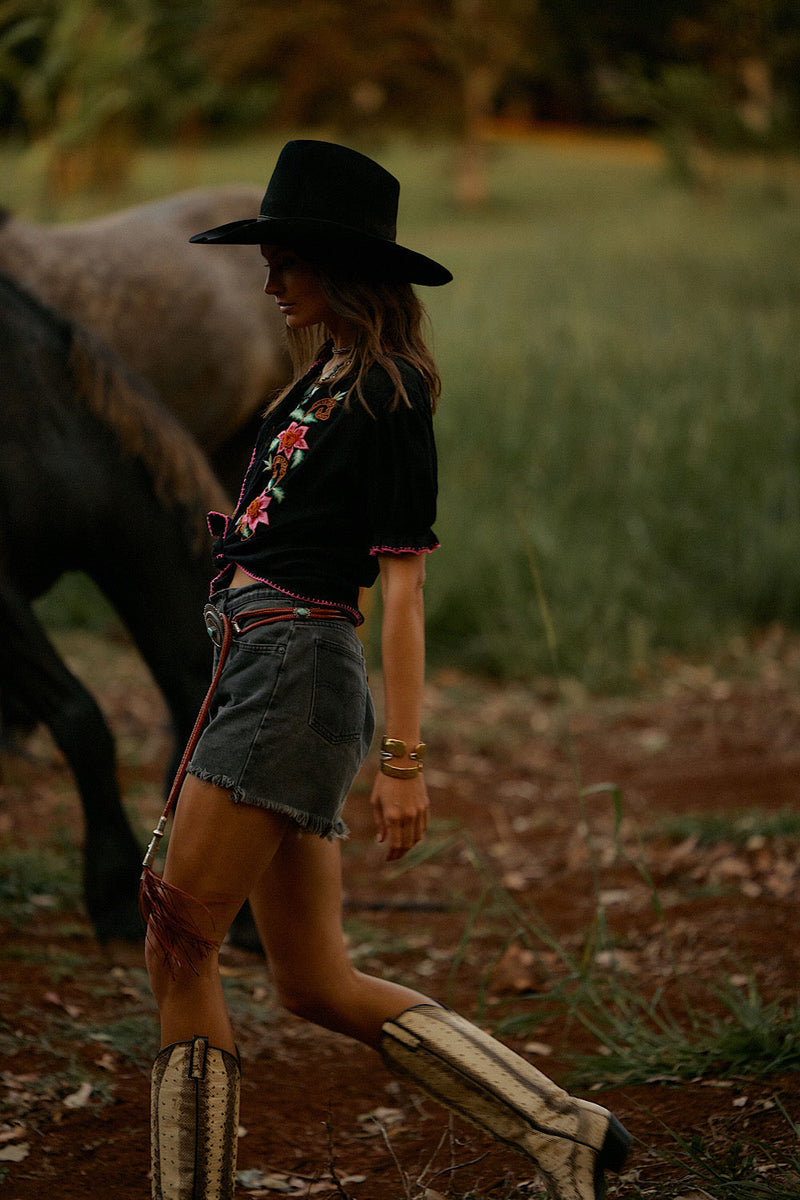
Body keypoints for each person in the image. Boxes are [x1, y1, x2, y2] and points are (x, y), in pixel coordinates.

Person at [142, 139, 630, 1200]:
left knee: (178, 944)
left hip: (294, 680)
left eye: (285, 260)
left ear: (337, 265)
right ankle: (564, 1132)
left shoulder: (391, 393)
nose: (268, 279)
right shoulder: (319, 378)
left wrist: (402, 759)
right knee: (311, 980)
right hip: (261, 672)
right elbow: (298, 530)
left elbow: (397, 589)